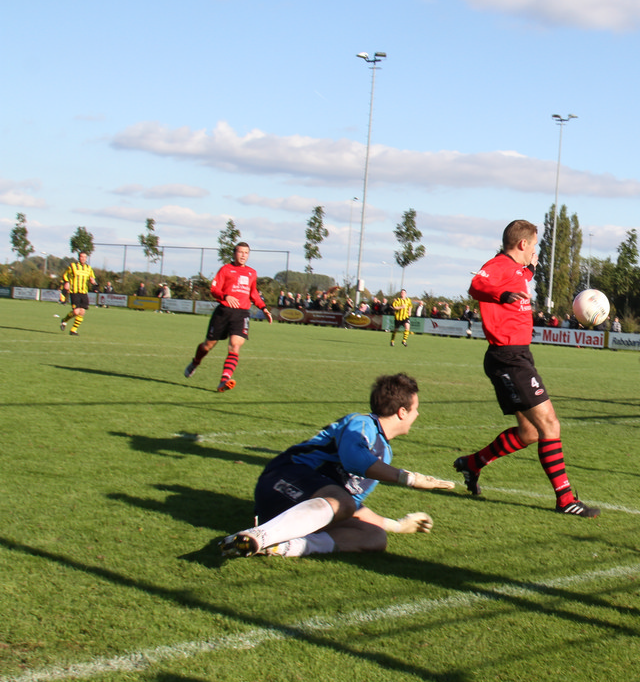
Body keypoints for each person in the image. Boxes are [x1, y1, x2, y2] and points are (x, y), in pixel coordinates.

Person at [453, 220, 600, 517]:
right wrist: (503, 295)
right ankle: (565, 500)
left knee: (530, 432)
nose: (535, 249)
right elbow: (476, 285)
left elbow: (519, 276)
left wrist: (531, 268)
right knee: (550, 425)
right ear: (522, 244)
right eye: (533, 244)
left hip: (518, 356)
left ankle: (471, 464)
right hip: (509, 358)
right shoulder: (497, 265)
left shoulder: (517, 270)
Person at [219, 373, 454, 558]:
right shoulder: (362, 424)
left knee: (374, 537)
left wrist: (397, 525)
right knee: (341, 502)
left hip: (309, 508)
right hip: (283, 479)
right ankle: (259, 535)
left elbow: (354, 506)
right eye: (415, 409)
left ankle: (281, 547)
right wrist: (409, 478)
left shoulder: (384, 452)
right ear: (402, 412)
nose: (418, 414)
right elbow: (355, 459)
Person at [183, 242, 273, 392]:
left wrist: (263, 308)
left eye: (246, 253)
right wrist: (225, 296)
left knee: (235, 345)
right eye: (240, 252)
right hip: (223, 312)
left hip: (241, 314)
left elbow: (253, 293)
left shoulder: (251, 273)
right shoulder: (225, 269)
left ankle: (224, 380)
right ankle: (195, 362)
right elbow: (214, 289)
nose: (243, 255)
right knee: (207, 346)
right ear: (234, 253)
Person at [59, 252, 97, 335]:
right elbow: (65, 275)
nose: (83, 258)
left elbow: (92, 278)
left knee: (82, 311)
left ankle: (73, 330)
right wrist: (66, 282)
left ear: (86, 258)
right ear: (79, 258)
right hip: (74, 291)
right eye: (81, 257)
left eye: (85, 257)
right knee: (76, 312)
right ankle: (64, 320)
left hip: (84, 292)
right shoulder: (72, 266)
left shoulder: (88, 268)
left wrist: (93, 281)